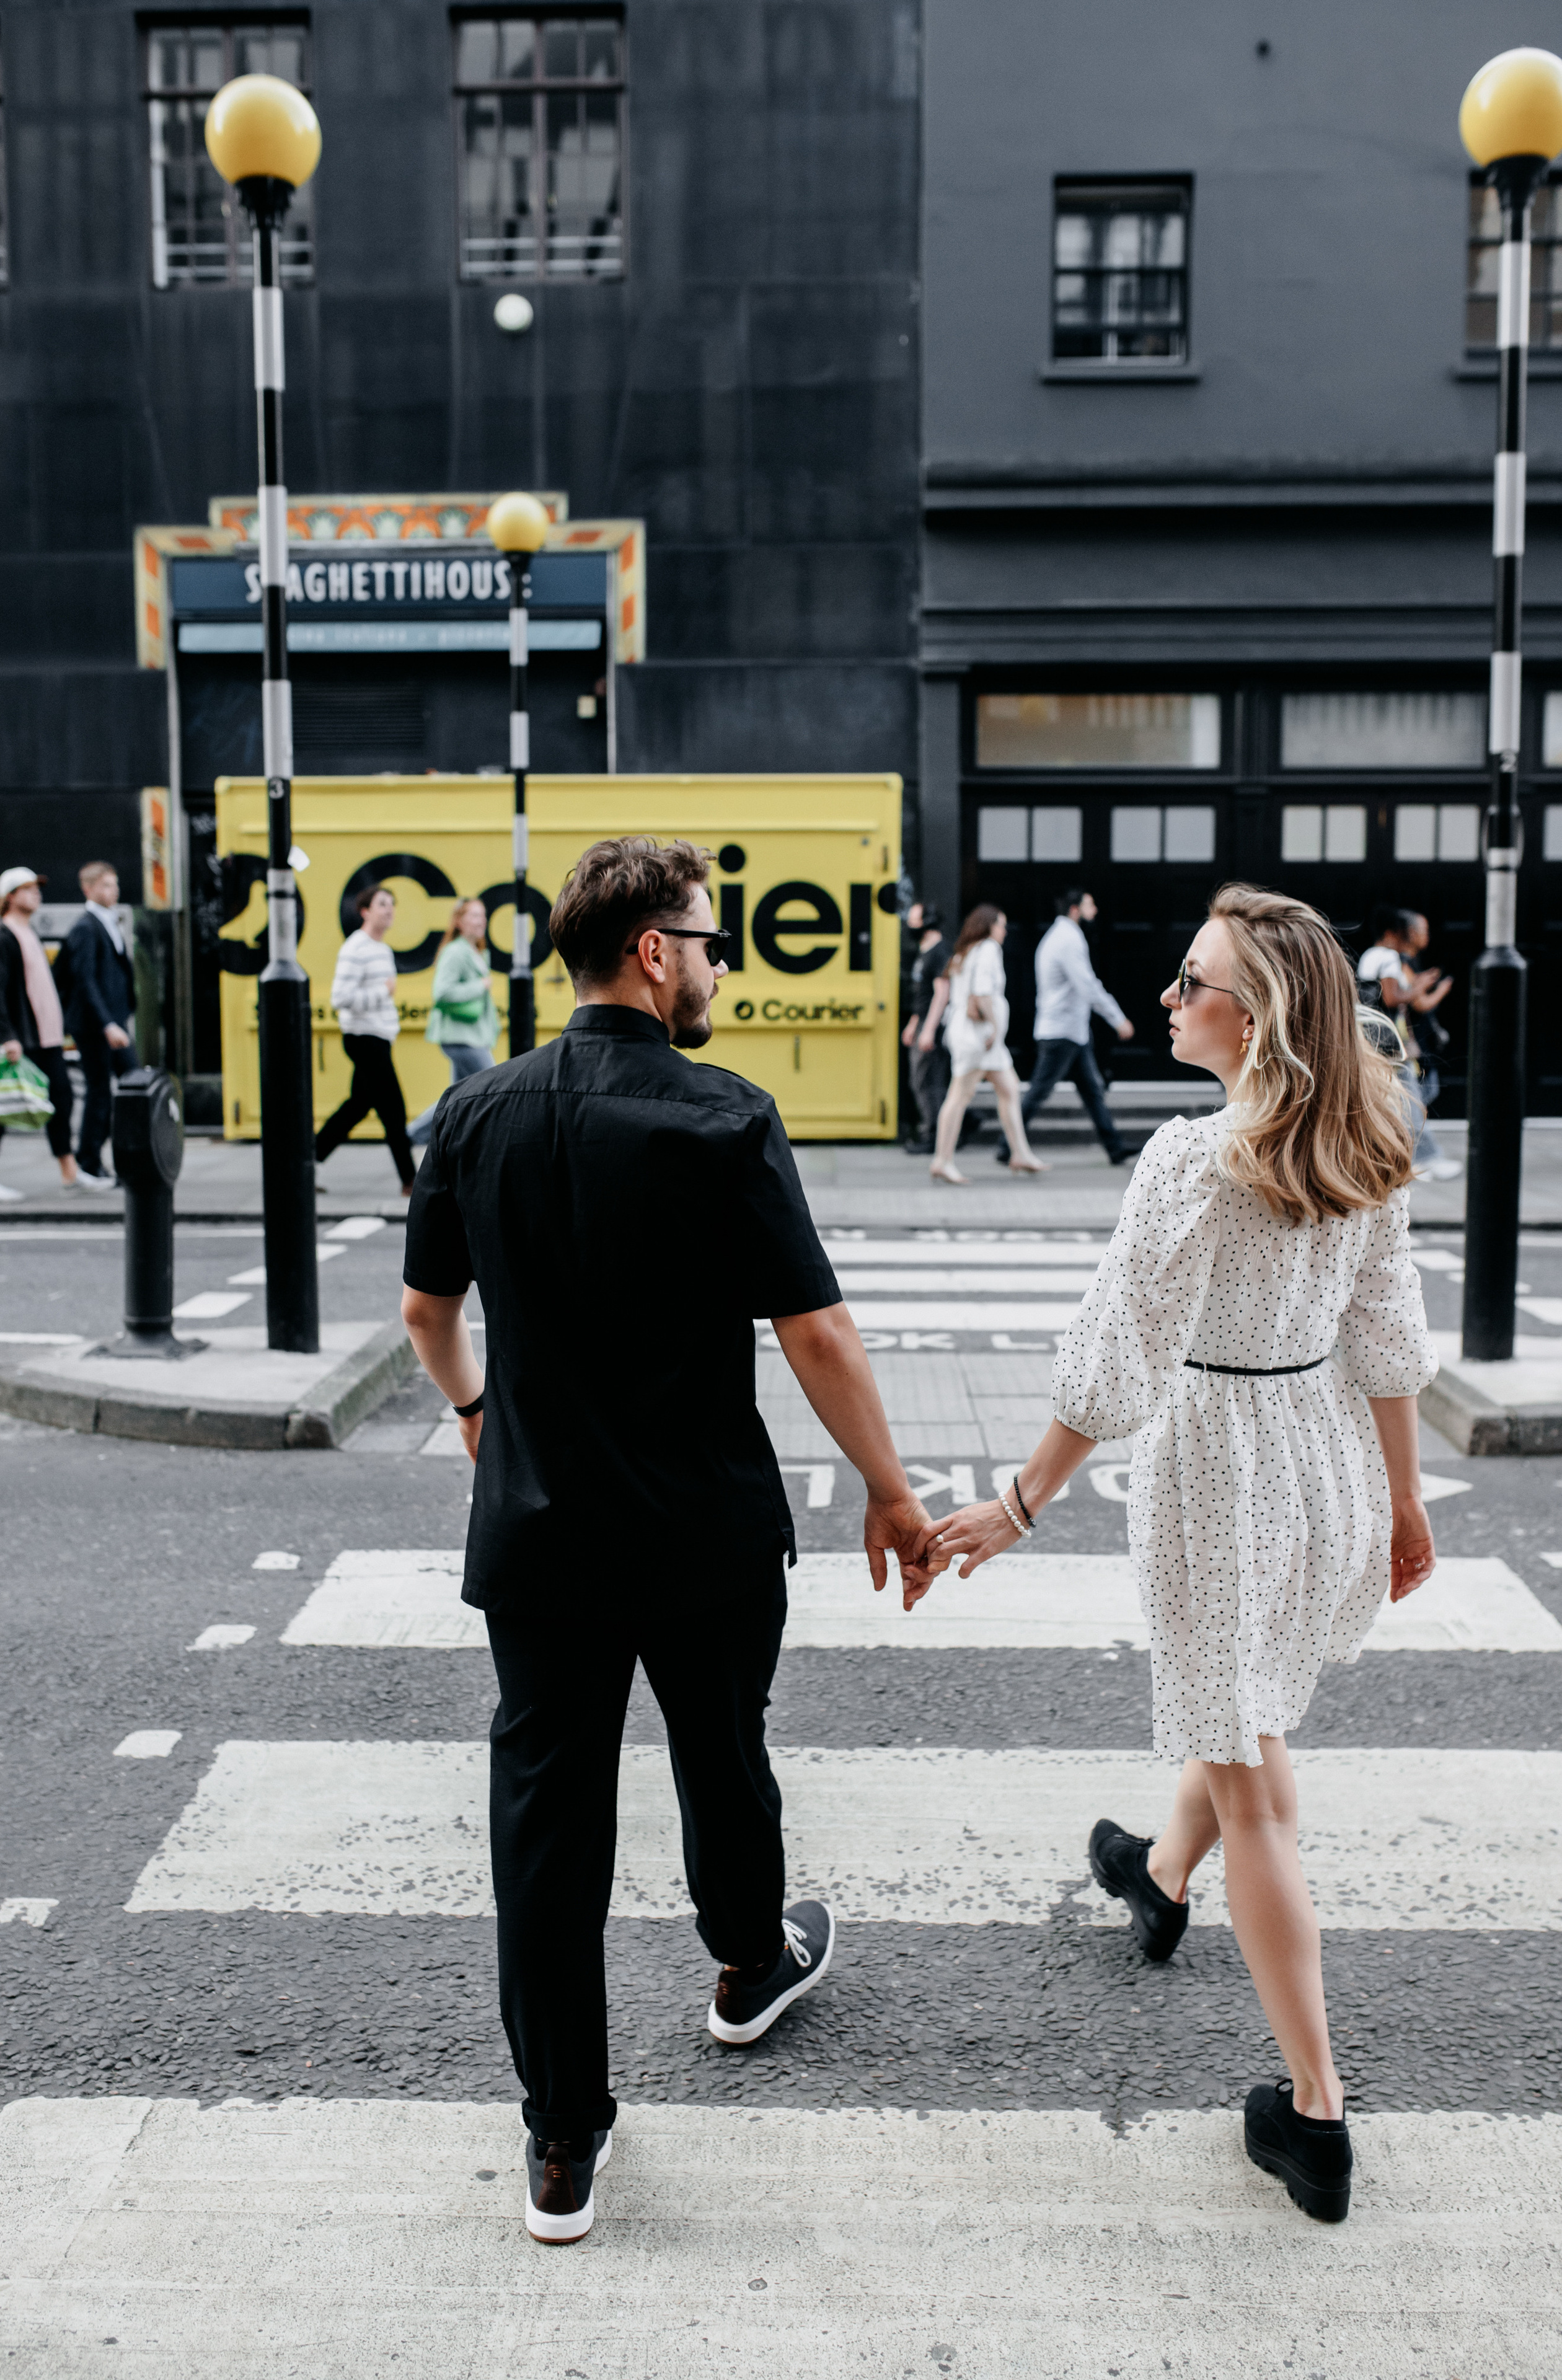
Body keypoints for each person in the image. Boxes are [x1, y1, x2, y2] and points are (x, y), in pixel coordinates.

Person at [400, 834, 937, 2247]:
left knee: (546, 1825)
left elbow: (424, 1313)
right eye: (708, 944)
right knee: (719, 1745)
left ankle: (560, 2138)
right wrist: (887, 1488)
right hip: (701, 1523)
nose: (716, 967)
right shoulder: (722, 1115)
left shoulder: (474, 1112)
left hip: (537, 1531)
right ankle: (746, 1966)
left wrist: (471, 1409)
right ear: (652, 950)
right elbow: (811, 1327)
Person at [925, 884, 1436, 2228]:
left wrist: (1020, 1505)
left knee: (1256, 1781)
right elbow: (1387, 1339)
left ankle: (1313, 2113)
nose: (1166, 999)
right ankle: (1153, 1882)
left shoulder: (1191, 1161)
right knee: (1243, 1717)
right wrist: (1400, 1500)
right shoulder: (1363, 1137)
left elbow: (1116, 1355)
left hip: (1218, 1470)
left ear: (1255, 1020)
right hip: (1320, 1459)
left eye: (1192, 982)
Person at [996, 888, 1136, 1168]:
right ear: (1074, 910)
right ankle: (1006, 1145)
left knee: (1092, 1091)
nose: (1094, 911)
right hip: (1061, 1032)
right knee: (1038, 1092)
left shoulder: (1059, 937)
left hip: (1070, 1031)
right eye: (1090, 905)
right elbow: (1087, 985)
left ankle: (1115, 1147)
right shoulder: (1068, 940)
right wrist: (1117, 1019)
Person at [0, 866, 85, 1203]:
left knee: (62, 1101)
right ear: (10, 897)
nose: (37, 894)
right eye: (28, 889)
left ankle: (69, 1171)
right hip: (19, 1040)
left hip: (46, 1037)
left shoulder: (28, 933)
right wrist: (7, 1038)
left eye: (37, 888)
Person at [929, 904, 1044, 1184]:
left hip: (977, 1037)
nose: (1004, 931)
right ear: (989, 926)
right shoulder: (989, 949)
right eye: (1001, 925)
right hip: (980, 1038)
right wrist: (994, 1026)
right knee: (959, 1097)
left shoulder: (967, 950)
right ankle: (942, 1160)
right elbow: (982, 993)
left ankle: (1020, 1153)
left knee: (1009, 1088)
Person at [314, 884, 415, 1194]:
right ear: (365, 911)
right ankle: (411, 1180)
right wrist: (381, 993)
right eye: (382, 904)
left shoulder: (382, 950)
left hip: (379, 1038)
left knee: (358, 1106)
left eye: (392, 905)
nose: (389, 910)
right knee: (394, 1110)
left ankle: (304, 1163)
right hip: (363, 1038)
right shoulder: (355, 948)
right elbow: (340, 998)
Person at [1357, 907, 1458, 1183]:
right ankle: (1425, 1159)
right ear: (1397, 932)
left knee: (1400, 1101)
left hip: (1374, 1039)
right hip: (1389, 1043)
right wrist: (1420, 986)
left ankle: (1405, 1160)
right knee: (1411, 1101)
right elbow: (1392, 999)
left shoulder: (1370, 955)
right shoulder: (1389, 958)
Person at [63, 862, 137, 1186]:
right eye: (106, 885)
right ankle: (89, 1163)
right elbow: (85, 981)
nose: (114, 890)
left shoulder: (107, 921)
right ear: (88, 889)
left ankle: (126, 1157)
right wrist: (107, 1024)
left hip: (114, 1023)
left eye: (115, 884)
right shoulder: (86, 927)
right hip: (96, 1027)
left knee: (134, 1084)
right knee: (99, 1092)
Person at [408, 897, 500, 1149]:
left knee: (457, 1096)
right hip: (461, 1037)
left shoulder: (477, 952)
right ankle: (415, 1135)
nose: (481, 921)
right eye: (474, 916)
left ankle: (442, 1140)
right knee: (492, 1087)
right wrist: (478, 986)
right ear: (459, 921)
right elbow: (442, 992)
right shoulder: (456, 952)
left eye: (483, 915)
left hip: (471, 1035)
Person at [901, 901, 951, 1153]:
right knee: (920, 1080)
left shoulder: (940, 952)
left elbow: (942, 993)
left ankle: (933, 1136)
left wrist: (929, 1028)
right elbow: (921, 995)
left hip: (932, 1027)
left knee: (928, 1082)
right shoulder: (925, 951)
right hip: (922, 1023)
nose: (910, 925)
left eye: (915, 920)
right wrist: (913, 1024)